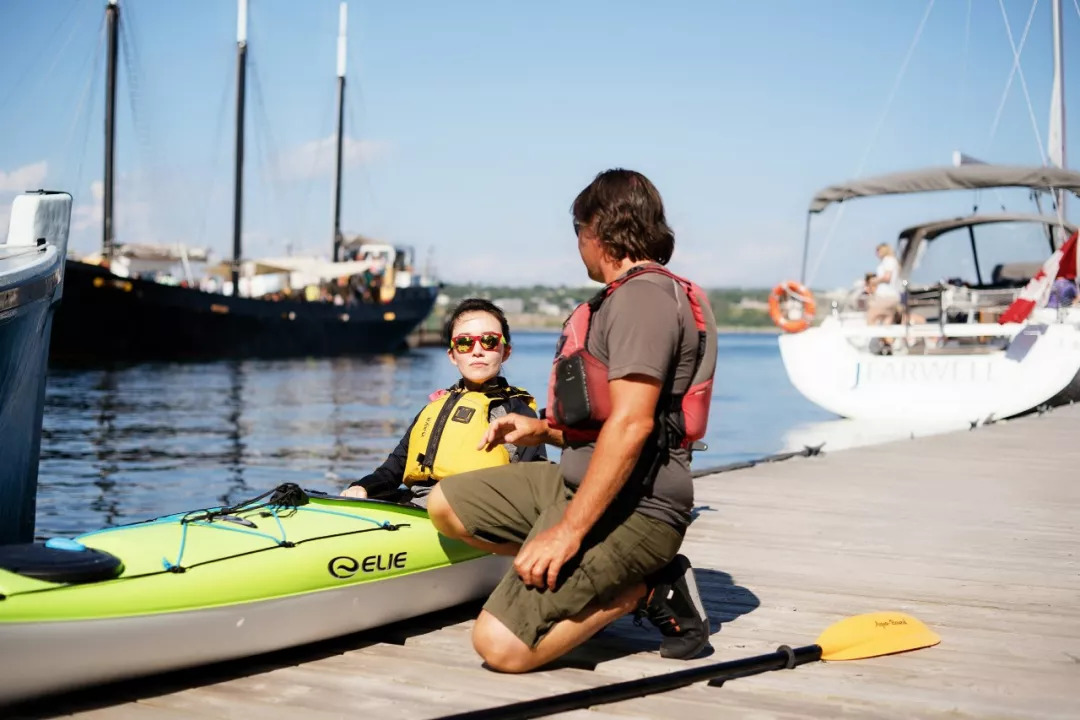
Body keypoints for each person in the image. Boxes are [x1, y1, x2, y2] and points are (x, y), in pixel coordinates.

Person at [426, 168, 717, 673]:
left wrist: (567, 534)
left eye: (578, 232)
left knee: (500, 647)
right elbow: (615, 419)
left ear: (599, 229)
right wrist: (541, 430)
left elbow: (632, 426)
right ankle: (572, 570)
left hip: (638, 507)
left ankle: (644, 589)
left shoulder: (643, 299)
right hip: (576, 482)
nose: (577, 246)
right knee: (445, 504)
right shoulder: (628, 297)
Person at [341, 299, 545, 507]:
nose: (477, 351)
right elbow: (394, 468)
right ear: (452, 355)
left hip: (471, 511)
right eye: (464, 343)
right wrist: (363, 487)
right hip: (417, 504)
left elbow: (532, 485)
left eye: (489, 341)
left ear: (506, 352)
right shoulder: (434, 407)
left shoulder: (518, 413)